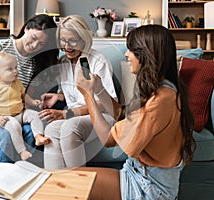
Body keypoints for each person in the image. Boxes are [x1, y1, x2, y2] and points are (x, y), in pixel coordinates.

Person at [76, 24, 196, 200]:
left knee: (73, 181)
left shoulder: (161, 100)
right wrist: (99, 89)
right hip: (139, 174)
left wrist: (88, 96)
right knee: (71, 179)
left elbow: (108, 139)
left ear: (146, 55)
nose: (126, 55)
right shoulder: (163, 90)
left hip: (150, 188)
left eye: (131, 50)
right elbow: (121, 115)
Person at [0, 14, 58, 163]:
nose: (34, 45)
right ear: (26, 28)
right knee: (3, 136)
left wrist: (37, 103)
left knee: (30, 133)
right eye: (33, 38)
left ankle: (20, 178)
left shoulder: (35, 64)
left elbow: (23, 97)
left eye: (41, 44)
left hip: (13, 113)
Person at [39, 15, 117, 169]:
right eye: (63, 40)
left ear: (84, 39)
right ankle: (56, 184)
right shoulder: (63, 62)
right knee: (51, 129)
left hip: (101, 116)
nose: (67, 46)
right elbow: (74, 92)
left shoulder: (98, 61)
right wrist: (58, 96)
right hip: (76, 115)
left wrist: (67, 114)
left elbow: (107, 102)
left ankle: (79, 185)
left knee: (70, 128)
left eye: (72, 40)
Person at [0, 52, 51, 161]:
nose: (15, 71)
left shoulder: (17, 83)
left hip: (20, 113)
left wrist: (33, 102)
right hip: (6, 118)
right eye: (10, 69)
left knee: (34, 115)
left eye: (15, 68)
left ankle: (38, 136)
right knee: (14, 126)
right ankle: (22, 151)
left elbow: (24, 95)